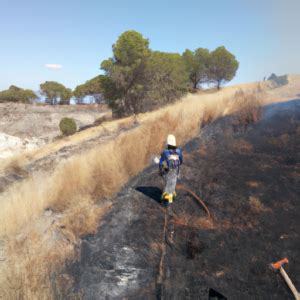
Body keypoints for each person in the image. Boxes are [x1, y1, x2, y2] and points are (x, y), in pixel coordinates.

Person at [159, 134, 183, 206]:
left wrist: (161, 171)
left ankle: (166, 202)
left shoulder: (165, 152)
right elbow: (181, 161)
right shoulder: (179, 151)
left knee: (167, 187)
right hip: (176, 173)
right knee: (172, 185)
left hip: (168, 174)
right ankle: (172, 194)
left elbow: (161, 163)